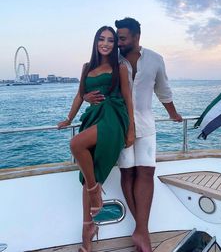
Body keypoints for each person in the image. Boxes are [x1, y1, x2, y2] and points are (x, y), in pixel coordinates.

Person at [84, 18, 182, 252]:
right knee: (127, 174)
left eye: (122, 38)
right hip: (120, 125)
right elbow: (92, 83)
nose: (118, 42)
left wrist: (174, 114)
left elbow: (163, 90)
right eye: (117, 38)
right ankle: (142, 232)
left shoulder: (156, 59)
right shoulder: (113, 61)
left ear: (137, 37)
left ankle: (141, 231)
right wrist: (87, 97)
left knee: (146, 172)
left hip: (147, 125)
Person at [58, 26, 135, 252]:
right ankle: (87, 237)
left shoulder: (119, 67)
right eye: (102, 39)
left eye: (110, 40)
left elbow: (128, 99)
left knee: (76, 143)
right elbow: (80, 95)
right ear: (95, 42)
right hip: (93, 118)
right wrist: (69, 118)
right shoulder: (86, 67)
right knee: (86, 177)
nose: (106, 43)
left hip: (113, 119)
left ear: (114, 44)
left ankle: (95, 195)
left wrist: (131, 130)